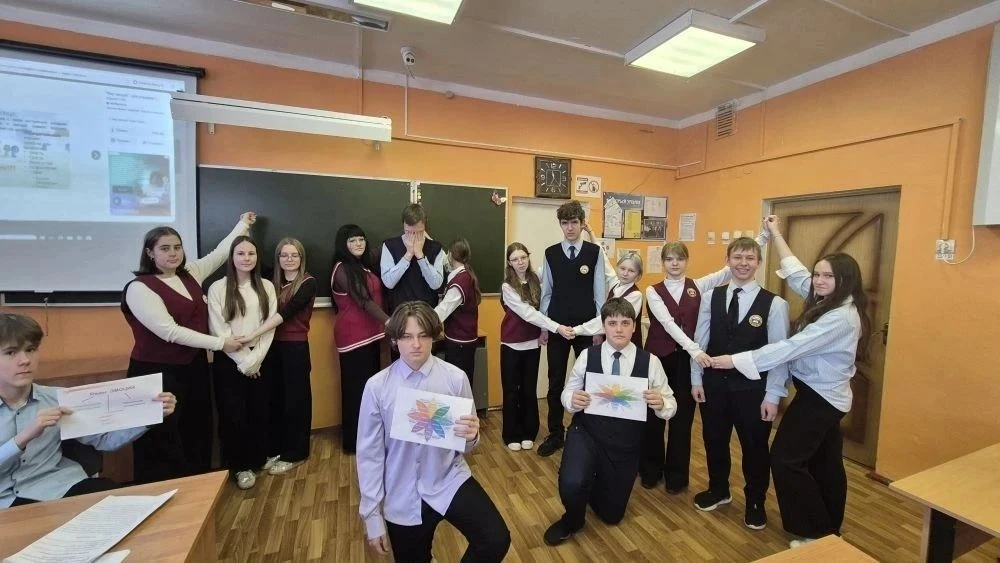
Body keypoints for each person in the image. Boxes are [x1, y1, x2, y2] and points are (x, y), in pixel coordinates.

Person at [709, 216, 871, 548]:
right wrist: (776, 234)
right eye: (818, 274)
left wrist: (735, 360)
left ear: (846, 281)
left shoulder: (840, 318)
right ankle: (828, 530)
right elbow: (796, 272)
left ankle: (814, 531)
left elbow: (789, 348)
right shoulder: (828, 300)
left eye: (828, 276)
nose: (819, 281)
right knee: (825, 463)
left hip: (821, 400)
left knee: (785, 459)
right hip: (824, 395)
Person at [356, 302, 510, 563]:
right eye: (407, 336)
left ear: (434, 336)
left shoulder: (455, 378)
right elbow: (369, 455)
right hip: (401, 491)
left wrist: (472, 436)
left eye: (423, 335)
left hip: (448, 478)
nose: (416, 344)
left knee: (495, 539)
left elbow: (466, 443)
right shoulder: (377, 387)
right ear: (394, 340)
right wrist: (371, 516)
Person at [121, 212, 253, 482]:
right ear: (150, 253)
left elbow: (220, 253)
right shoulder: (139, 288)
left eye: (177, 247)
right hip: (157, 373)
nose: (173, 253)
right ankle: (161, 494)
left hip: (194, 368)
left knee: (197, 430)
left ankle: (198, 491)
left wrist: (243, 224)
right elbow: (169, 332)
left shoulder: (191, 273)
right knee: (161, 438)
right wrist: (221, 343)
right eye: (165, 248)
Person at [1, 313, 176, 508]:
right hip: (5, 499)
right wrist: (24, 437)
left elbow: (104, 440)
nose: (25, 360)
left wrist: (150, 414)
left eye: (30, 350)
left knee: (121, 504)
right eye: (11, 352)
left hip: (58, 486)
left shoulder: (59, 398)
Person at [640, 231, 770, 493]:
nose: (674, 263)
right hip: (658, 359)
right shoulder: (652, 291)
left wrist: (763, 237)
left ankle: (676, 477)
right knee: (653, 415)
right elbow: (667, 323)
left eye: (679, 259)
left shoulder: (698, 286)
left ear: (686, 262)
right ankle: (650, 470)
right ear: (662, 263)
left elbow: (731, 267)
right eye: (669, 259)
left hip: (686, 363)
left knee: (682, 420)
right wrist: (695, 350)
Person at [543, 298, 677, 546]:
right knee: (572, 481)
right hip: (587, 431)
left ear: (634, 326)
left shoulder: (651, 362)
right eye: (612, 323)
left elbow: (671, 403)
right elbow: (567, 392)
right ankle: (573, 519)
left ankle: (592, 483)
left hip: (626, 441)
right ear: (603, 326)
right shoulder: (587, 356)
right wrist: (573, 399)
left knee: (612, 516)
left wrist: (661, 404)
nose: (619, 329)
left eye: (625, 323)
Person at [689, 236, 789, 530]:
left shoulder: (775, 304)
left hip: (753, 390)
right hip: (714, 386)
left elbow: (780, 354)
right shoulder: (711, 297)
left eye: (749, 258)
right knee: (714, 440)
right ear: (728, 260)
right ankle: (718, 489)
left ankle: (755, 501)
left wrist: (773, 395)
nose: (743, 263)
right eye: (737, 257)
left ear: (758, 263)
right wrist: (696, 379)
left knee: (754, 448)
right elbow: (699, 342)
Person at [236, 238, 317, 475]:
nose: (289, 259)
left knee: (296, 401)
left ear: (301, 258)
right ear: (277, 258)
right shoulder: (270, 281)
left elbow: (285, 314)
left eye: (294, 255)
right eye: (284, 255)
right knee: (275, 400)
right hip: (270, 347)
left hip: (295, 348)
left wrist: (253, 335)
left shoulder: (308, 282)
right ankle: (277, 448)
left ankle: (296, 453)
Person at [538, 200, 609, 457]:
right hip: (557, 328)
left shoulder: (594, 252)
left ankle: (585, 432)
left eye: (574, 223)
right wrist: (544, 326)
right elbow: (546, 293)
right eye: (565, 223)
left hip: (587, 329)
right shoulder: (550, 253)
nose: (570, 228)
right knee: (555, 382)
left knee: (589, 381)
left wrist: (599, 330)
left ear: (581, 223)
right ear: (560, 225)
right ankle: (556, 433)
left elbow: (600, 294)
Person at [207, 236, 278, 490]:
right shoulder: (217, 288)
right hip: (230, 361)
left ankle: (258, 458)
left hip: (260, 358)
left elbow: (269, 325)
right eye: (240, 253)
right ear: (232, 257)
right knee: (233, 415)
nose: (246, 258)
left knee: (259, 411)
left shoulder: (266, 286)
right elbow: (219, 329)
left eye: (251, 253)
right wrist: (245, 361)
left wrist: (255, 359)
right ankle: (240, 466)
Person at [499, 243, 568, 452]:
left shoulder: (536, 278)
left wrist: (545, 329)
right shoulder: (507, 286)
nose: (520, 262)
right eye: (515, 259)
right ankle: (512, 434)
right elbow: (528, 313)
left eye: (523, 257)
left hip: (532, 344)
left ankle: (529, 432)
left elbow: (544, 306)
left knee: (529, 390)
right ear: (509, 263)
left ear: (528, 258)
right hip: (511, 344)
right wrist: (556, 327)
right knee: (512, 391)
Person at [332, 224, 388, 454]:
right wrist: (390, 322)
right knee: (357, 392)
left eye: (361, 239)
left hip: (372, 336)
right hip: (353, 340)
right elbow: (363, 300)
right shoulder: (342, 269)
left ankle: (371, 439)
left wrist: (414, 234)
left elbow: (383, 248)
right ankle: (354, 442)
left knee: (371, 392)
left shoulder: (363, 265)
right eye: (352, 240)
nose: (358, 244)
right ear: (343, 244)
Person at [434, 238, 481, 389]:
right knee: (462, 382)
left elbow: (442, 311)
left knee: (458, 385)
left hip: (459, 342)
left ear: (450, 254)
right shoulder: (465, 275)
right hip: (463, 339)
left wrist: (420, 320)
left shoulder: (460, 281)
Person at [380, 204, 445, 312]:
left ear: (424, 226)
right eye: (409, 232)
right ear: (404, 225)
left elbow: (436, 284)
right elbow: (389, 283)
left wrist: (420, 256)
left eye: (419, 232)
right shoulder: (389, 246)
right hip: (400, 311)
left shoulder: (436, 248)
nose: (413, 236)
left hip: (426, 311)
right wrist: (408, 254)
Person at [573, 252, 645, 348]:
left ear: (638, 275)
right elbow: (605, 263)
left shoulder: (635, 295)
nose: (625, 273)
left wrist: (577, 330)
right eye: (622, 268)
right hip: (610, 342)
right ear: (617, 268)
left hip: (626, 345)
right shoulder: (614, 284)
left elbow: (609, 318)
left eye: (631, 271)